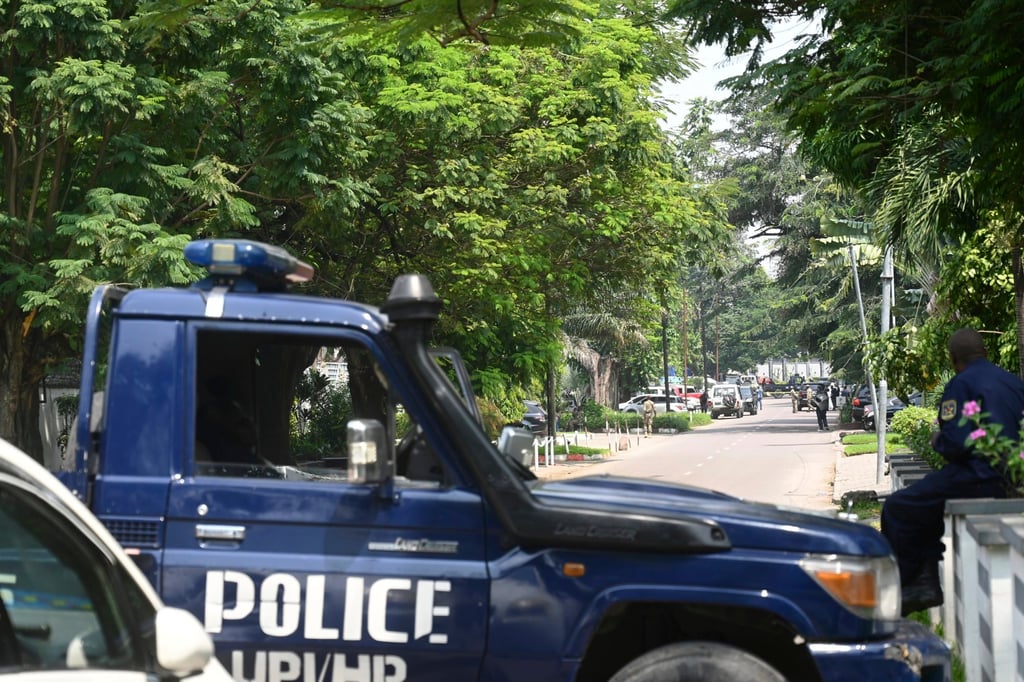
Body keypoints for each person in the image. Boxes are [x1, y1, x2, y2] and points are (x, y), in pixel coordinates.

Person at [880, 328, 1024, 616]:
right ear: (985, 352)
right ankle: (926, 582)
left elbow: (956, 443)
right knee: (928, 501)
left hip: (978, 475)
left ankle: (914, 585)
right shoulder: (1013, 383)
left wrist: (937, 440)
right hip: (1014, 476)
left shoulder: (960, 384)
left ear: (953, 358)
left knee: (899, 506)